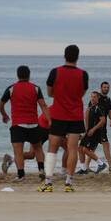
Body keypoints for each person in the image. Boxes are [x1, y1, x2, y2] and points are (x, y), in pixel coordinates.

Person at [38, 45, 88, 192]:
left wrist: (60, 96)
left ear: (64, 56)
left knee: (52, 149)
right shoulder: (83, 74)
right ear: (77, 57)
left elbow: (49, 93)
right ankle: (68, 183)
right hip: (75, 115)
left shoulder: (55, 72)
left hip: (59, 115)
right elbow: (82, 93)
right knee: (72, 149)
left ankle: (48, 183)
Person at [0, 65, 51, 182]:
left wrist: (4, 115)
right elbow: (43, 105)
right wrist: (50, 120)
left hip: (18, 125)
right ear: (29, 75)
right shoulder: (36, 88)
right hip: (34, 124)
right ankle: (41, 170)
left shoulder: (11, 89)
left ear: (18, 75)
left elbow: (0, 105)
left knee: (18, 151)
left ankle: (21, 175)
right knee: (37, 148)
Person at [1, 107, 69, 177]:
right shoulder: (57, 108)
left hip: (50, 129)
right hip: (42, 129)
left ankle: (63, 172)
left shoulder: (66, 108)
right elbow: (51, 121)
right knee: (32, 155)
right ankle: (11, 159)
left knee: (67, 148)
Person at [85, 82, 111, 172]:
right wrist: (87, 127)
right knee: (105, 145)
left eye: (108, 87)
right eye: (104, 87)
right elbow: (88, 112)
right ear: (101, 88)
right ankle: (110, 166)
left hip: (102, 127)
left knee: (92, 147)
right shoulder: (95, 97)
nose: (106, 89)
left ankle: (86, 167)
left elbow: (109, 111)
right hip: (96, 126)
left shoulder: (107, 99)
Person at [77, 92, 107, 175]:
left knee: (85, 149)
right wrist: (84, 133)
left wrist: (93, 130)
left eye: (94, 97)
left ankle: (101, 164)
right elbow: (87, 123)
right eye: (91, 97)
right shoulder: (90, 108)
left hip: (96, 133)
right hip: (89, 132)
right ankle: (83, 169)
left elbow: (103, 121)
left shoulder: (99, 107)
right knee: (80, 148)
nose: (93, 98)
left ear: (98, 98)